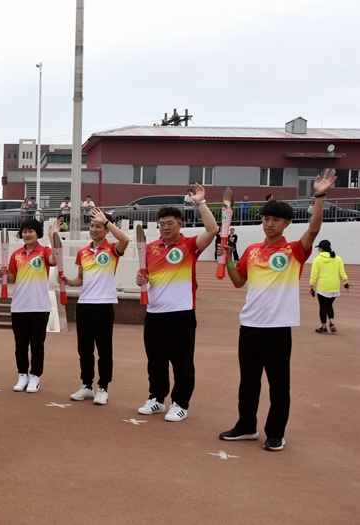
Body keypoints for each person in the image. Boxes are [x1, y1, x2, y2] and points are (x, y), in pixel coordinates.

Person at [217, 170, 336, 451]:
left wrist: (319, 196)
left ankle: (275, 433)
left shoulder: (294, 251)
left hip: (278, 328)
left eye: (275, 220)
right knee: (248, 382)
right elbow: (238, 282)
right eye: (266, 219)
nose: (269, 224)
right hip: (250, 326)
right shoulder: (252, 250)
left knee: (279, 385)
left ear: (286, 223)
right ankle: (246, 426)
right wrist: (229, 259)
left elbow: (314, 230)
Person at [134, 183, 219, 422]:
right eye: (162, 224)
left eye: (170, 223)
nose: (165, 227)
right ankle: (157, 398)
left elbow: (212, 230)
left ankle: (180, 403)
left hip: (181, 314)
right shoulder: (149, 248)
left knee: (182, 362)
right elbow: (145, 275)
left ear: (180, 224)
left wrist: (201, 202)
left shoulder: (189, 246)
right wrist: (140, 278)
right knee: (156, 361)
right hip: (155, 313)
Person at [64, 208, 129, 405]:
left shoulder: (112, 249)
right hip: (84, 304)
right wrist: (69, 282)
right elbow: (80, 279)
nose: (94, 229)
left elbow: (125, 240)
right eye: (92, 226)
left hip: (103, 304)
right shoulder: (83, 252)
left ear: (106, 230)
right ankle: (86, 386)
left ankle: (103, 388)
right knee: (84, 349)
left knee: (104, 350)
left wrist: (107, 221)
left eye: (98, 226)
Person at [1, 218, 59, 393]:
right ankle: (22, 375)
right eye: (24, 231)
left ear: (37, 233)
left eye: (30, 231)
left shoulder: (44, 251)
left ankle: (35, 376)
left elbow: (55, 261)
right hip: (19, 306)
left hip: (39, 306)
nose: (27, 234)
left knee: (37, 345)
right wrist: (5, 274)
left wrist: (53, 237)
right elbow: (13, 278)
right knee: (20, 345)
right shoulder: (16, 254)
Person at [309, 239, 350, 334]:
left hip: (323, 287)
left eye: (319, 248)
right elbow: (342, 271)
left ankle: (324, 327)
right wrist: (345, 280)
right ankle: (331, 322)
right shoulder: (337, 258)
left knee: (323, 307)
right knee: (329, 305)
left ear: (321, 249)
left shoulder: (317, 259)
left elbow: (314, 275)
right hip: (334, 287)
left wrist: (311, 286)